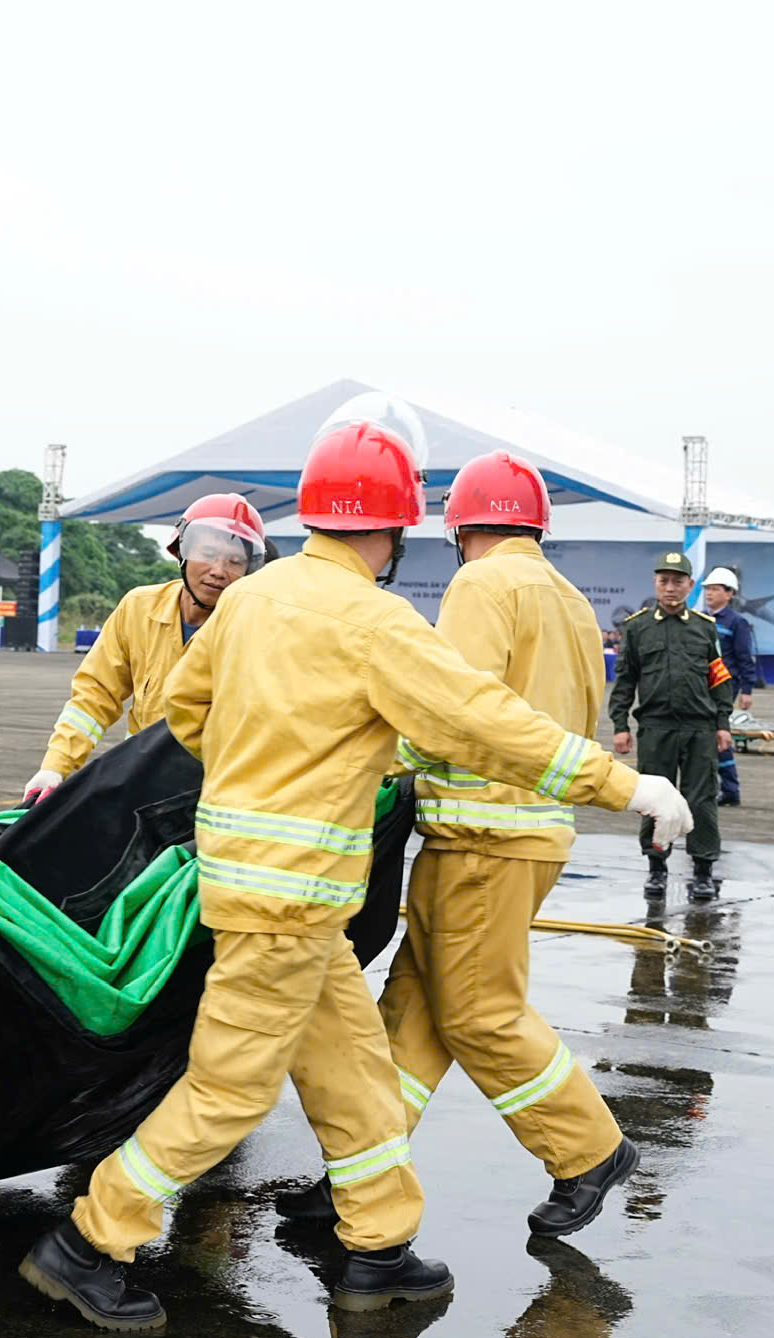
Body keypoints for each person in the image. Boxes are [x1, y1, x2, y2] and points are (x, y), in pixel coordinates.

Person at [16, 396, 691, 1332]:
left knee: (355, 1068)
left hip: (260, 886)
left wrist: (270, 761)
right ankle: (92, 1241)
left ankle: (379, 1244)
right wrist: (622, 784)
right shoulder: (376, 625)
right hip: (292, 897)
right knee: (230, 1087)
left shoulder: (251, 598)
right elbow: (482, 721)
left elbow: (184, 710)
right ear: (398, 525)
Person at [275, 449, 656, 1240]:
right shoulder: (569, 600)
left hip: (484, 836)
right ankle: (361, 1174)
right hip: (530, 832)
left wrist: (379, 758)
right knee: (412, 1012)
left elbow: (454, 707)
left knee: (480, 1012)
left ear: (460, 529)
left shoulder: (483, 584)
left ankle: (588, 1148)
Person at [19, 493, 273, 805]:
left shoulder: (254, 629)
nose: (219, 570)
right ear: (180, 551)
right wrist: (55, 767)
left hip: (213, 790)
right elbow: (95, 694)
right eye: (208, 553)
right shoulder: (139, 608)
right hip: (139, 780)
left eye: (235, 560)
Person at [607, 553, 733, 905]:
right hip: (655, 728)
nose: (671, 587)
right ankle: (656, 868)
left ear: (690, 586)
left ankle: (704, 871)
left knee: (702, 799)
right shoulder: (637, 627)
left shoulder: (705, 628)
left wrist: (723, 724)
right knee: (653, 802)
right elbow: (625, 680)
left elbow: (719, 679)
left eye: (678, 581)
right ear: (655, 584)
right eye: (664, 580)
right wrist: (620, 725)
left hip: (699, 729)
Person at [698, 566, 761, 807]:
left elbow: (745, 658)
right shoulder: (702, 619)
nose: (709, 594)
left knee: (717, 734)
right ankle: (717, 788)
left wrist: (747, 690)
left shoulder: (737, 623)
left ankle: (730, 789)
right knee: (707, 736)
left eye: (715, 589)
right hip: (702, 685)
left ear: (729, 593)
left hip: (726, 686)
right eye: (708, 589)